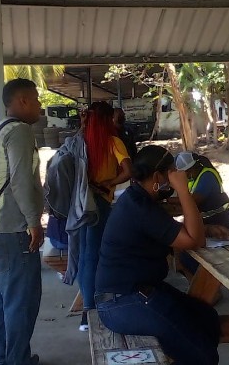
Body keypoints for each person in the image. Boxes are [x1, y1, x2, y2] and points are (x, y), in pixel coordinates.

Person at [95, 145, 220, 365]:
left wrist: (208, 228)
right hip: (121, 301)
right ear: (156, 177)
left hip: (139, 291)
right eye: (172, 174)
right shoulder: (139, 207)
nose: (174, 180)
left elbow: (179, 233)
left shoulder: (139, 199)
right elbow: (194, 241)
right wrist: (183, 191)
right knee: (202, 355)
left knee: (206, 318)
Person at [0, 78, 44, 365]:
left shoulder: (0, 128)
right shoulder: (20, 131)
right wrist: (34, 222)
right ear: (22, 101)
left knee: (0, 299)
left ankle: (5, 358)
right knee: (21, 302)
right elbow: (21, 182)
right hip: (14, 230)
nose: (40, 105)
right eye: (36, 99)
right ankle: (17, 360)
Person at [78, 101, 132, 331]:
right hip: (100, 202)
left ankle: (86, 309)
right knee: (96, 257)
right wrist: (110, 182)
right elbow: (130, 170)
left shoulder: (80, 140)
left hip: (80, 203)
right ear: (108, 119)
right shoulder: (113, 141)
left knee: (84, 256)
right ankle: (90, 310)